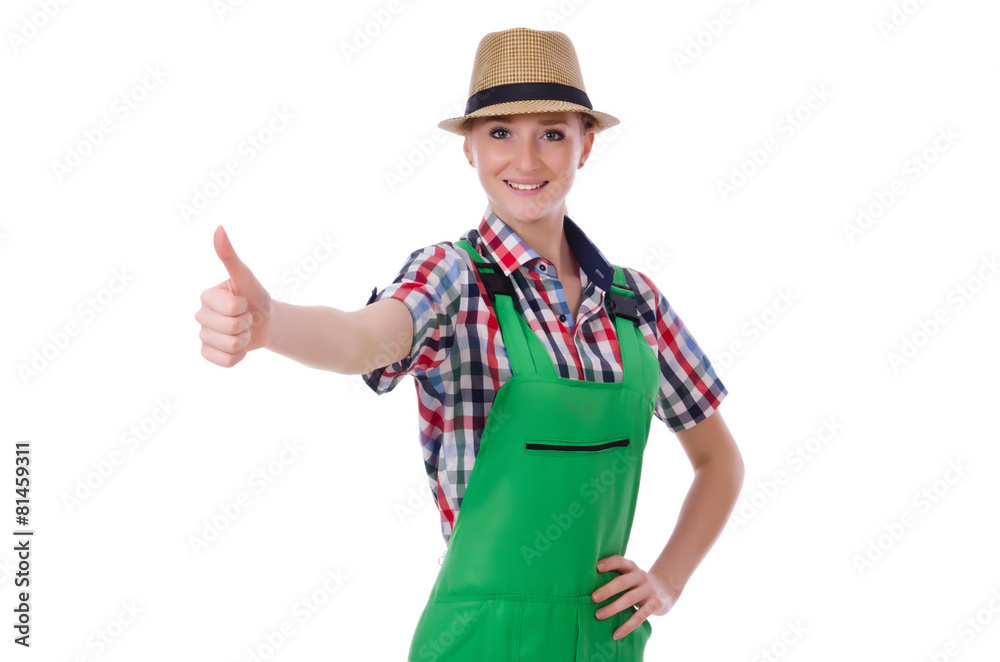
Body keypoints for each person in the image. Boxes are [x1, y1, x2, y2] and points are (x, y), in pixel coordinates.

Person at [195, 26, 744, 662]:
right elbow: (363, 338)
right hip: (478, 642)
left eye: (552, 134)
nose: (527, 160)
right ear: (469, 148)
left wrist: (667, 581)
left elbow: (719, 461)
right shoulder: (453, 279)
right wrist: (272, 323)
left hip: (604, 641)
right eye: (501, 133)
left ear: (587, 144)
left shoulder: (635, 302)